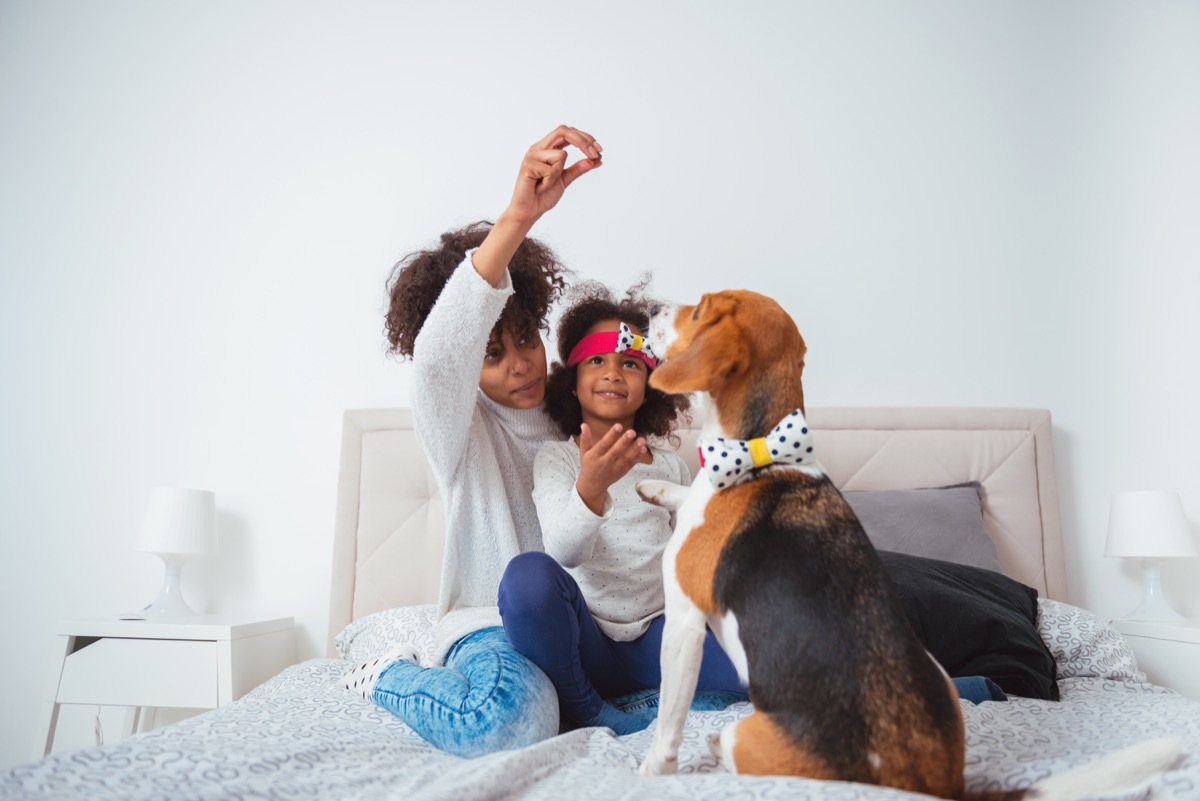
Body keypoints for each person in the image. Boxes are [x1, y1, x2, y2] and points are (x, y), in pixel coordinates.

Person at [341, 126, 603, 758]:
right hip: (492, 631)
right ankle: (386, 673)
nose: (518, 364)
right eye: (490, 353)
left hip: (585, 631)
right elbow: (437, 360)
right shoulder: (458, 428)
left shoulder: (585, 413)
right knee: (507, 720)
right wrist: (518, 217)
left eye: (525, 341)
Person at [499, 284, 747, 735]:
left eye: (629, 364)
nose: (613, 373)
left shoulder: (670, 465)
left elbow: (693, 557)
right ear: (572, 383)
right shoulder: (556, 459)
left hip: (658, 636)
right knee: (526, 578)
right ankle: (586, 708)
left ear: (650, 386)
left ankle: (653, 697)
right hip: (584, 643)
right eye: (597, 361)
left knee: (765, 669)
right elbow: (565, 551)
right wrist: (591, 485)